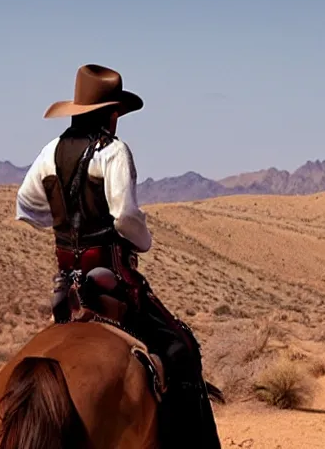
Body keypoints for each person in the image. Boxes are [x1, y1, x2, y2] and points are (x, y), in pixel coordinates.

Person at [15, 64, 221, 447]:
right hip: (110, 279)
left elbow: (26, 206)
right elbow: (125, 217)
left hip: (67, 284)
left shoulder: (50, 152)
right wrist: (144, 243)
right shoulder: (113, 152)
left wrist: (61, 225)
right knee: (181, 348)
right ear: (111, 114)